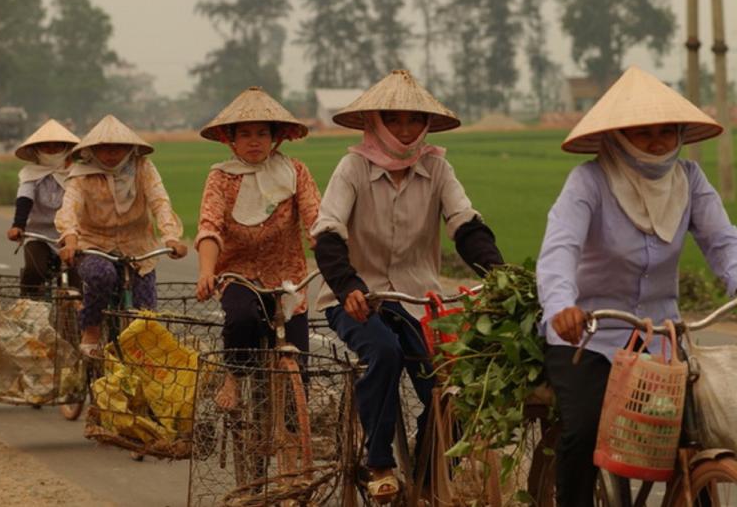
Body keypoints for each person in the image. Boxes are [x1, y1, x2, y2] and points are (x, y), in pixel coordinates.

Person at [537, 66, 737, 507]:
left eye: (667, 131)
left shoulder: (690, 180)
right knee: (583, 429)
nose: (658, 142)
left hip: (660, 336)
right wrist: (561, 306)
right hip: (589, 335)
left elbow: (724, 243)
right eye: (643, 132)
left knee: (693, 432)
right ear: (619, 135)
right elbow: (560, 249)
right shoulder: (588, 181)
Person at [311, 69, 504, 503]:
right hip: (357, 297)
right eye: (393, 120)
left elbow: (465, 225)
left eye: (414, 120)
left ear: (427, 124)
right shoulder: (353, 167)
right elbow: (328, 231)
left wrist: (499, 274)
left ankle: (430, 467)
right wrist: (347, 285)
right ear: (374, 122)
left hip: (417, 299)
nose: (404, 130)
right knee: (383, 351)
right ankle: (378, 460)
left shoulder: (437, 168)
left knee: (452, 382)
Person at [195, 86, 321, 408]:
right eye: (246, 134)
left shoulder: (295, 172)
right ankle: (234, 377)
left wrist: (324, 243)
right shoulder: (221, 178)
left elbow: (315, 218)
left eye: (262, 134)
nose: (254, 141)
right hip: (239, 274)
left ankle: (292, 427)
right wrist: (206, 272)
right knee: (241, 319)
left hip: (288, 277)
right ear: (231, 140)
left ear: (274, 138)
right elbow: (210, 226)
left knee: (298, 370)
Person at [55, 114, 187, 357]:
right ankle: (91, 328)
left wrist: (171, 237)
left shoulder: (142, 168)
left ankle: (141, 359)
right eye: (104, 148)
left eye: (118, 147)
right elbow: (70, 206)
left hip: (138, 246)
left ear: (130, 148)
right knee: (101, 275)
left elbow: (159, 201)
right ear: (92, 150)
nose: (111, 154)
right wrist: (70, 238)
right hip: (94, 243)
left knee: (145, 314)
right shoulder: (82, 173)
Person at [7, 119, 81, 294]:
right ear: (37, 150)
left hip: (73, 233)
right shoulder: (30, 174)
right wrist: (18, 225)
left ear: (66, 148)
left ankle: (76, 309)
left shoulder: (77, 174)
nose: (52, 150)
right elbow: (25, 198)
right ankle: (28, 305)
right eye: (46, 146)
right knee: (34, 270)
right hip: (39, 234)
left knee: (77, 274)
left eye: (57, 146)